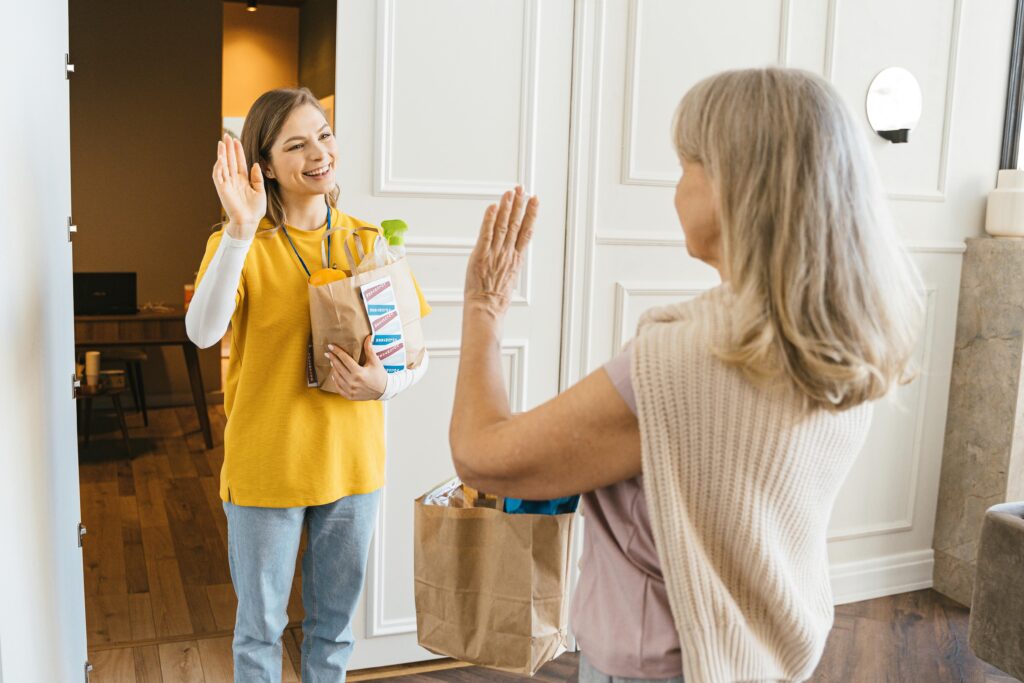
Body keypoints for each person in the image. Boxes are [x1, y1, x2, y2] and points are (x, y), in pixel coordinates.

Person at [449, 68, 922, 682]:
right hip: (762, 657)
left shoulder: (685, 364)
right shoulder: (843, 342)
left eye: (685, 167)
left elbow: (482, 456)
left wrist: (483, 310)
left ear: (734, 186)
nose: (676, 191)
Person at [185, 87, 431, 682]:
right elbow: (202, 331)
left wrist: (384, 385)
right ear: (263, 165)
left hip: (352, 471)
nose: (319, 153)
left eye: (324, 135)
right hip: (267, 469)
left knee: (334, 632)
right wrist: (241, 230)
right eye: (296, 144)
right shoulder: (238, 246)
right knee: (259, 632)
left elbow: (413, 357)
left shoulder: (368, 243)